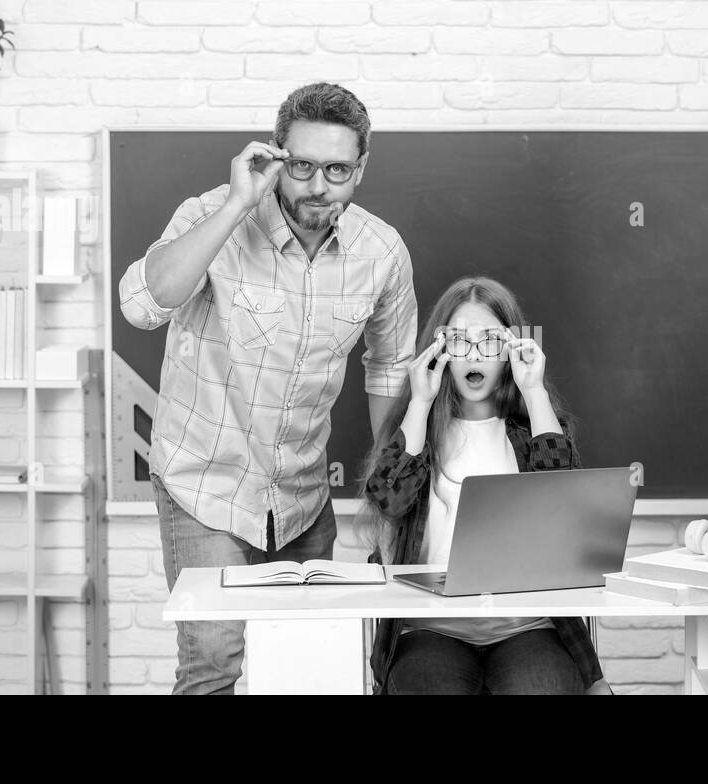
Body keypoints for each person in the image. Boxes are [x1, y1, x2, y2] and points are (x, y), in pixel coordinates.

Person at [118, 82, 417, 694]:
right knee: (213, 665)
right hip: (207, 487)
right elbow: (141, 305)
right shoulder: (211, 213)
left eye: (337, 169)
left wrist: (391, 490)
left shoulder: (381, 251)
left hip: (304, 495)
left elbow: (389, 366)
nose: (317, 185)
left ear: (360, 169)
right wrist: (234, 206)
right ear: (275, 155)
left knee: (310, 667)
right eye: (302, 165)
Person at [356, 277, 605, 694]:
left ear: (509, 351)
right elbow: (389, 500)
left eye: (490, 341)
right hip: (430, 628)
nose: (474, 353)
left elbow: (567, 511)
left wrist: (533, 390)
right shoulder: (421, 430)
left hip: (527, 625)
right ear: (441, 352)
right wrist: (419, 402)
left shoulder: (533, 431)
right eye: (459, 341)